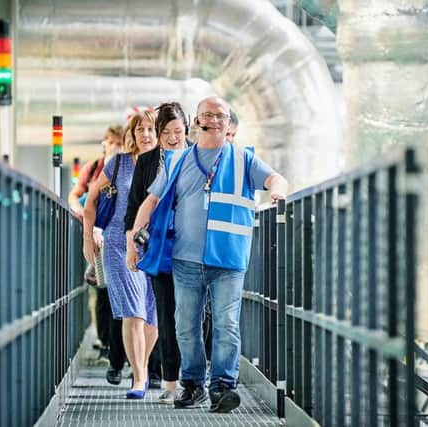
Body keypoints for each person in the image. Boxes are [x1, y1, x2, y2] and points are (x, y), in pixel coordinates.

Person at [131, 96, 287, 413]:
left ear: (228, 123)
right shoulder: (178, 161)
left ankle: (222, 387)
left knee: (226, 324)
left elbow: (275, 177)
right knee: (185, 325)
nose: (214, 120)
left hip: (228, 260)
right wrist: (135, 240)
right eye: (208, 115)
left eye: (221, 116)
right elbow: (150, 201)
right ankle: (193, 385)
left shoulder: (244, 159)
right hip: (186, 260)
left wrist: (278, 190)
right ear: (197, 121)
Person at [83, 109, 159, 400]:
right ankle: (139, 378)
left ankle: (139, 365)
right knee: (133, 313)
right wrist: (88, 238)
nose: (146, 135)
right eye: (140, 130)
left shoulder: (168, 163)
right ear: (132, 135)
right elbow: (90, 201)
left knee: (152, 316)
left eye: (151, 129)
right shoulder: (119, 164)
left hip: (156, 246)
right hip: (118, 243)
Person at [125, 102, 189, 404]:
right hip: (161, 247)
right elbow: (136, 205)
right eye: (166, 133)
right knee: (165, 313)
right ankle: (171, 382)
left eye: (178, 131)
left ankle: (195, 379)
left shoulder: (197, 157)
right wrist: (132, 246)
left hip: (195, 247)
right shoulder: (149, 162)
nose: (173, 138)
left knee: (194, 316)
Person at [67, 125, 123, 360]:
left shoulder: (129, 168)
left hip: (118, 237)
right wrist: (81, 213)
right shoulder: (93, 170)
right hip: (98, 238)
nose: (115, 148)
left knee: (116, 291)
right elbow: (77, 195)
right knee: (103, 291)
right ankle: (108, 343)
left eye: (119, 143)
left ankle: (118, 348)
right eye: (111, 143)